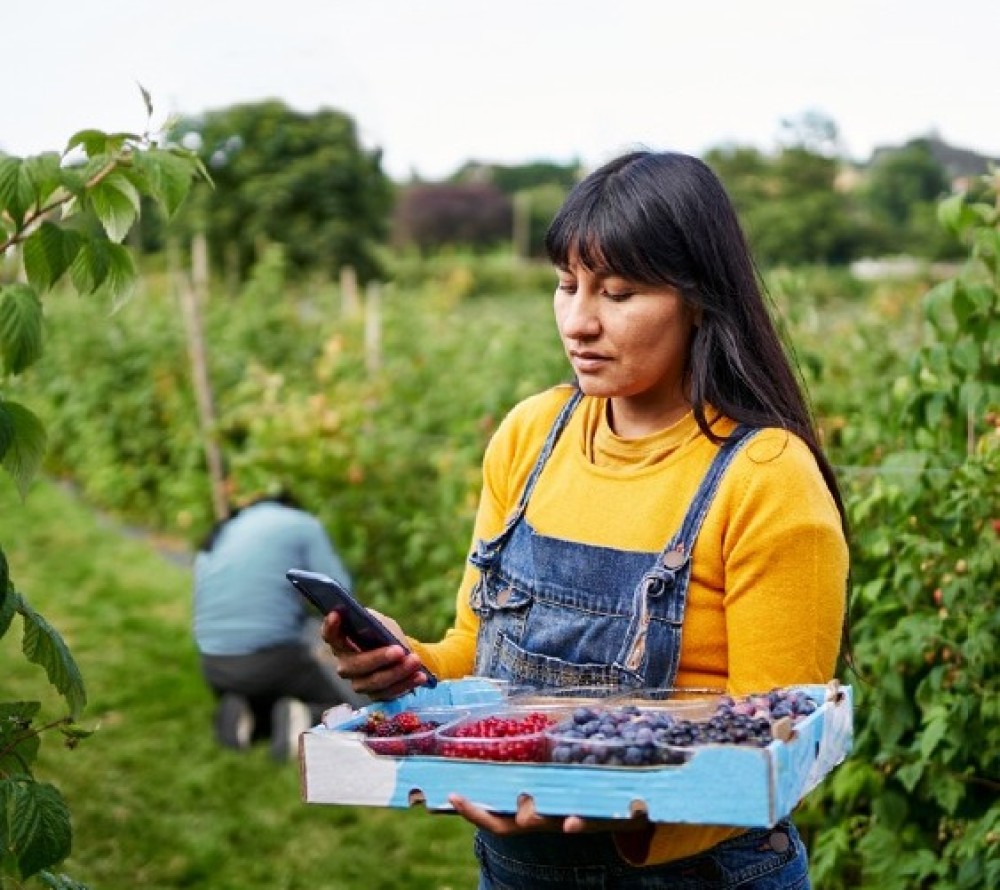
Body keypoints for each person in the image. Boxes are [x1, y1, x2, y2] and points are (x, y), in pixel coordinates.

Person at [323, 150, 848, 887]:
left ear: (699, 299)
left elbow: (769, 750)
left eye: (619, 292)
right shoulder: (531, 436)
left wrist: (614, 803)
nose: (579, 321)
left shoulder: (765, 478)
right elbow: (480, 658)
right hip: (519, 866)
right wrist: (406, 667)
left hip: (698, 873)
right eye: (567, 286)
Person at [193, 488, 367, 761]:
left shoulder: (229, 527)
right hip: (270, 661)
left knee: (270, 688)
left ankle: (244, 707)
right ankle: (303, 716)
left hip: (213, 664)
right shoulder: (303, 524)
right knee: (348, 712)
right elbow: (339, 592)